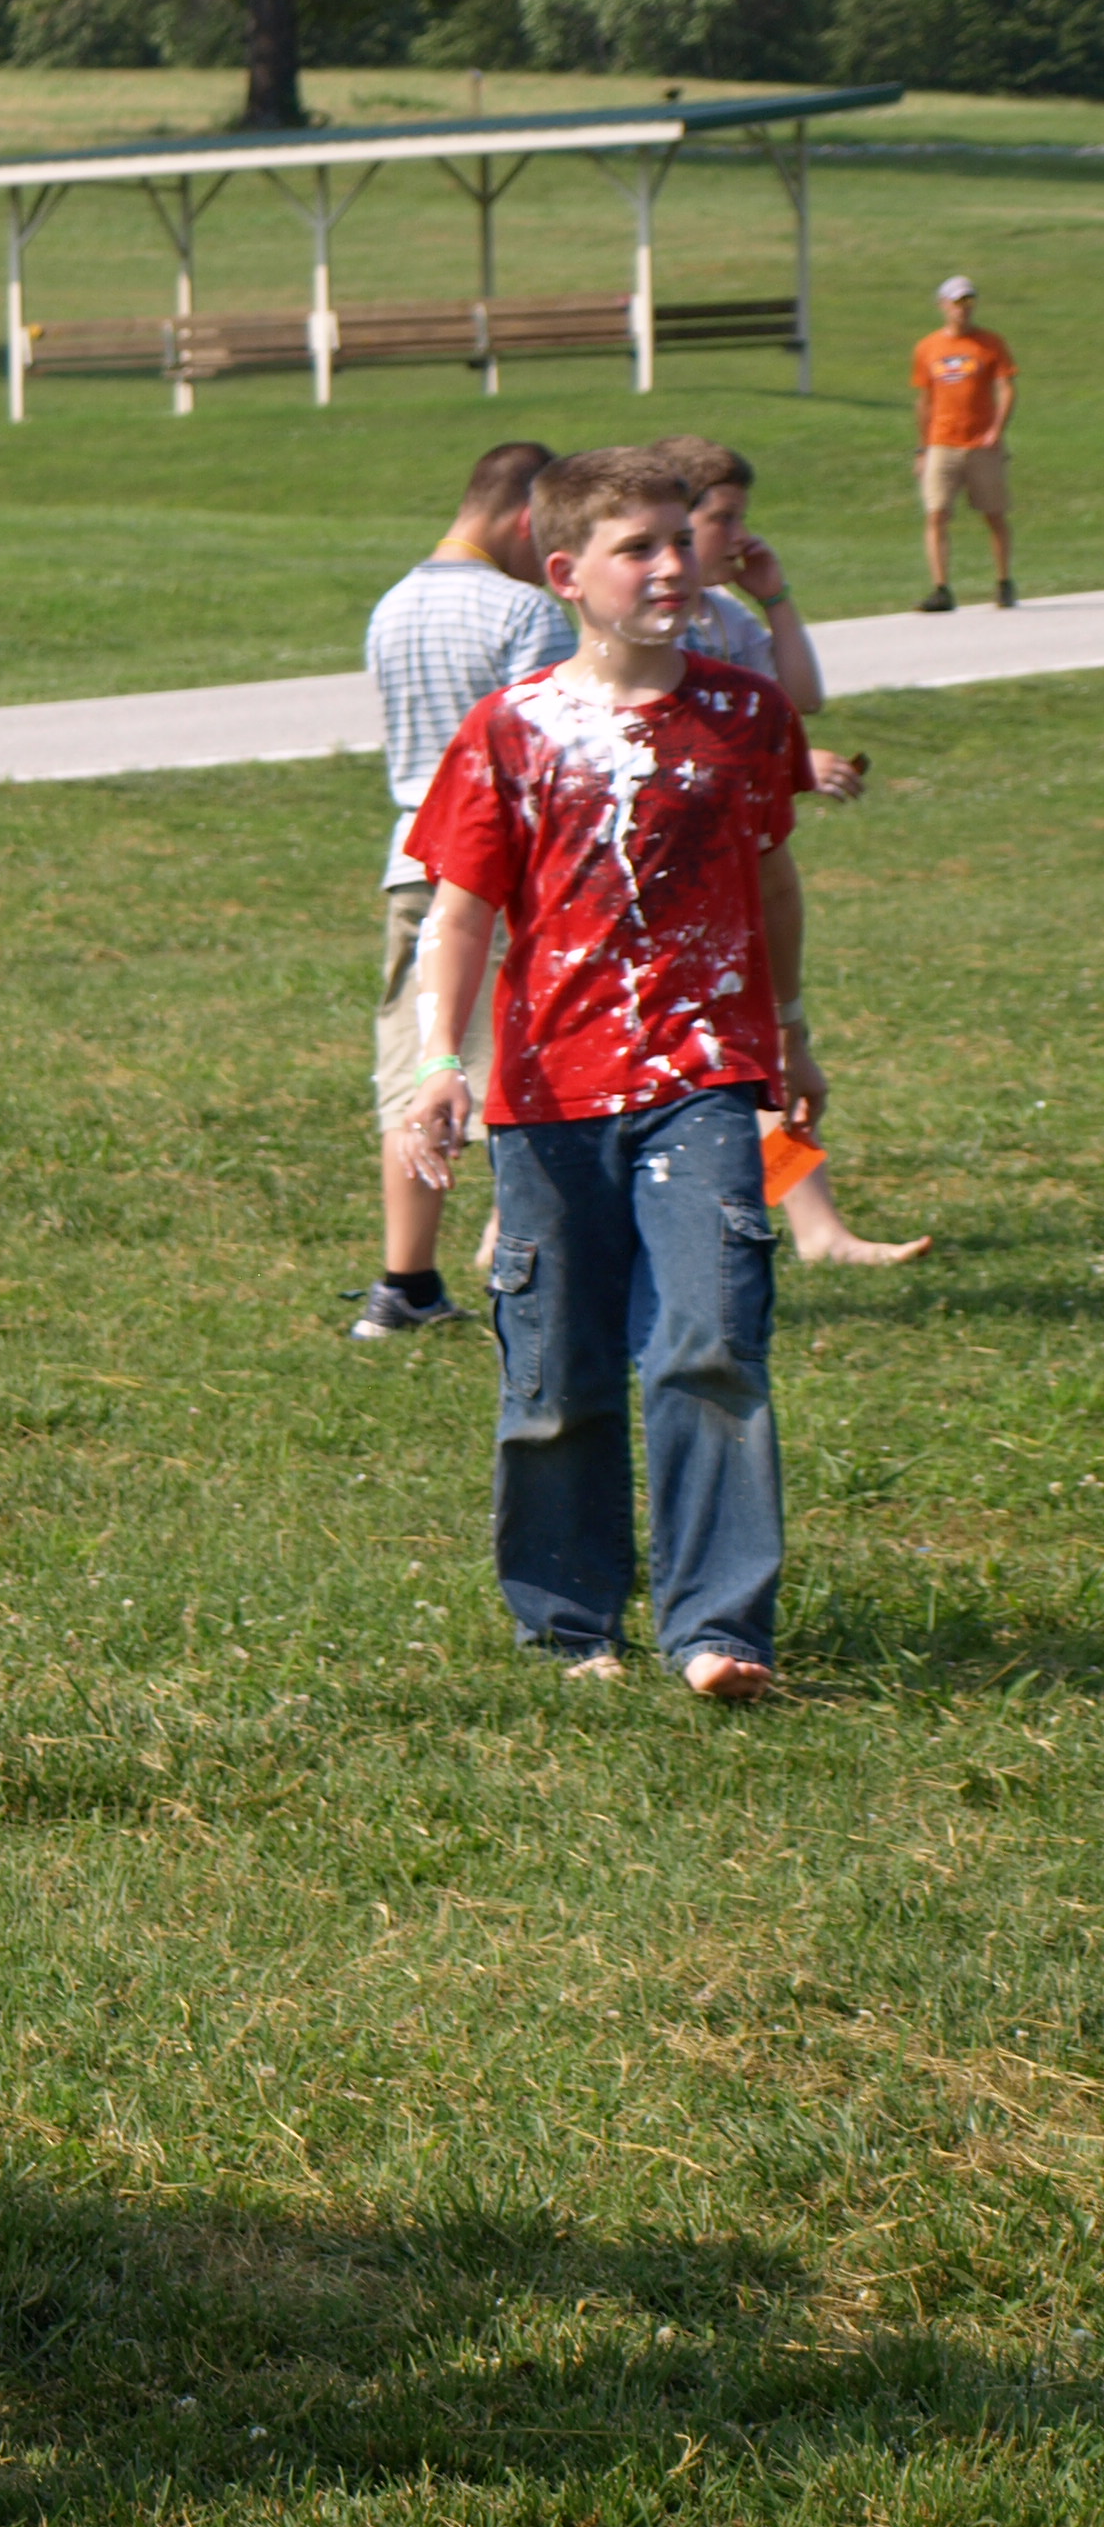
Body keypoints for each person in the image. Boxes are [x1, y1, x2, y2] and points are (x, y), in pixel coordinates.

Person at [396, 447, 819, 1704]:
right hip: (548, 1095)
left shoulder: (748, 715)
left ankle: (718, 1625)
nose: (672, 566)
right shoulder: (513, 727)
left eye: (682, 540)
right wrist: (439, 1063)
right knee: (555, 1373)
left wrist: (794, 1028)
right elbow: (460, 914)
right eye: (638, 548)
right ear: (567, 573)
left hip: (706, 1081)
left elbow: (775, 878)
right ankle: (569, 1621)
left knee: (712, 1345)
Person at [659, 434, 929, 1272]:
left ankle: (816, 1227)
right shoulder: (653, 628)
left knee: (752, 1046)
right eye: (724, 519)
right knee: (717, 1049)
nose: (741, 535)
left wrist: (775, 596)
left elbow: (800, 698)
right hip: (672, 882)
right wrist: (788, 766)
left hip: (733, 871)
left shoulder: (725, 617)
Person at [349, 440, 572, 1340]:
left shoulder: (393, 604)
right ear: (524, 518)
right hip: (499, 870)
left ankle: (404, 1281)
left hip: (412, 859)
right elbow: (545, 751)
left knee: (419, 1066)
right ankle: (543, 1270)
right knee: (522, 1071)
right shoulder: (526, 611)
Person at [911, 278, 1014, 612]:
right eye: (957, 303)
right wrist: (923, 448)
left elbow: (1006, 388)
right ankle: (941, 588)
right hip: (942, 441)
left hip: (981, 443)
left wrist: (996, 430)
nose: (963, 309)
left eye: (968, 302)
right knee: (936, 513)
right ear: (943, 305)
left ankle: (1004, 581)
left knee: (994, 514)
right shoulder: (928, 347)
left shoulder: (990, 343)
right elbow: (925, 400)